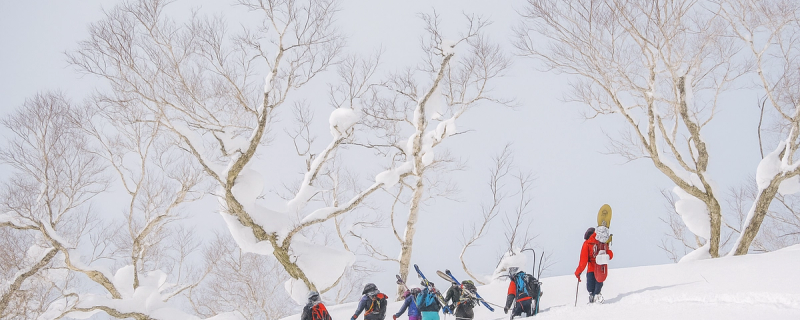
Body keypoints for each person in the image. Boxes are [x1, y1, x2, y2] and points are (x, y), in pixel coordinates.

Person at [575, 226, 614, 303]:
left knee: (590, 289)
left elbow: (583, 261)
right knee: (597, 290)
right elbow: (610, 254)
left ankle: (592, 300)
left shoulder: (587, 243)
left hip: (591, 270)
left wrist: (578, 272)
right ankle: (597, 299)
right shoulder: (602, 242)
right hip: (601, 269)